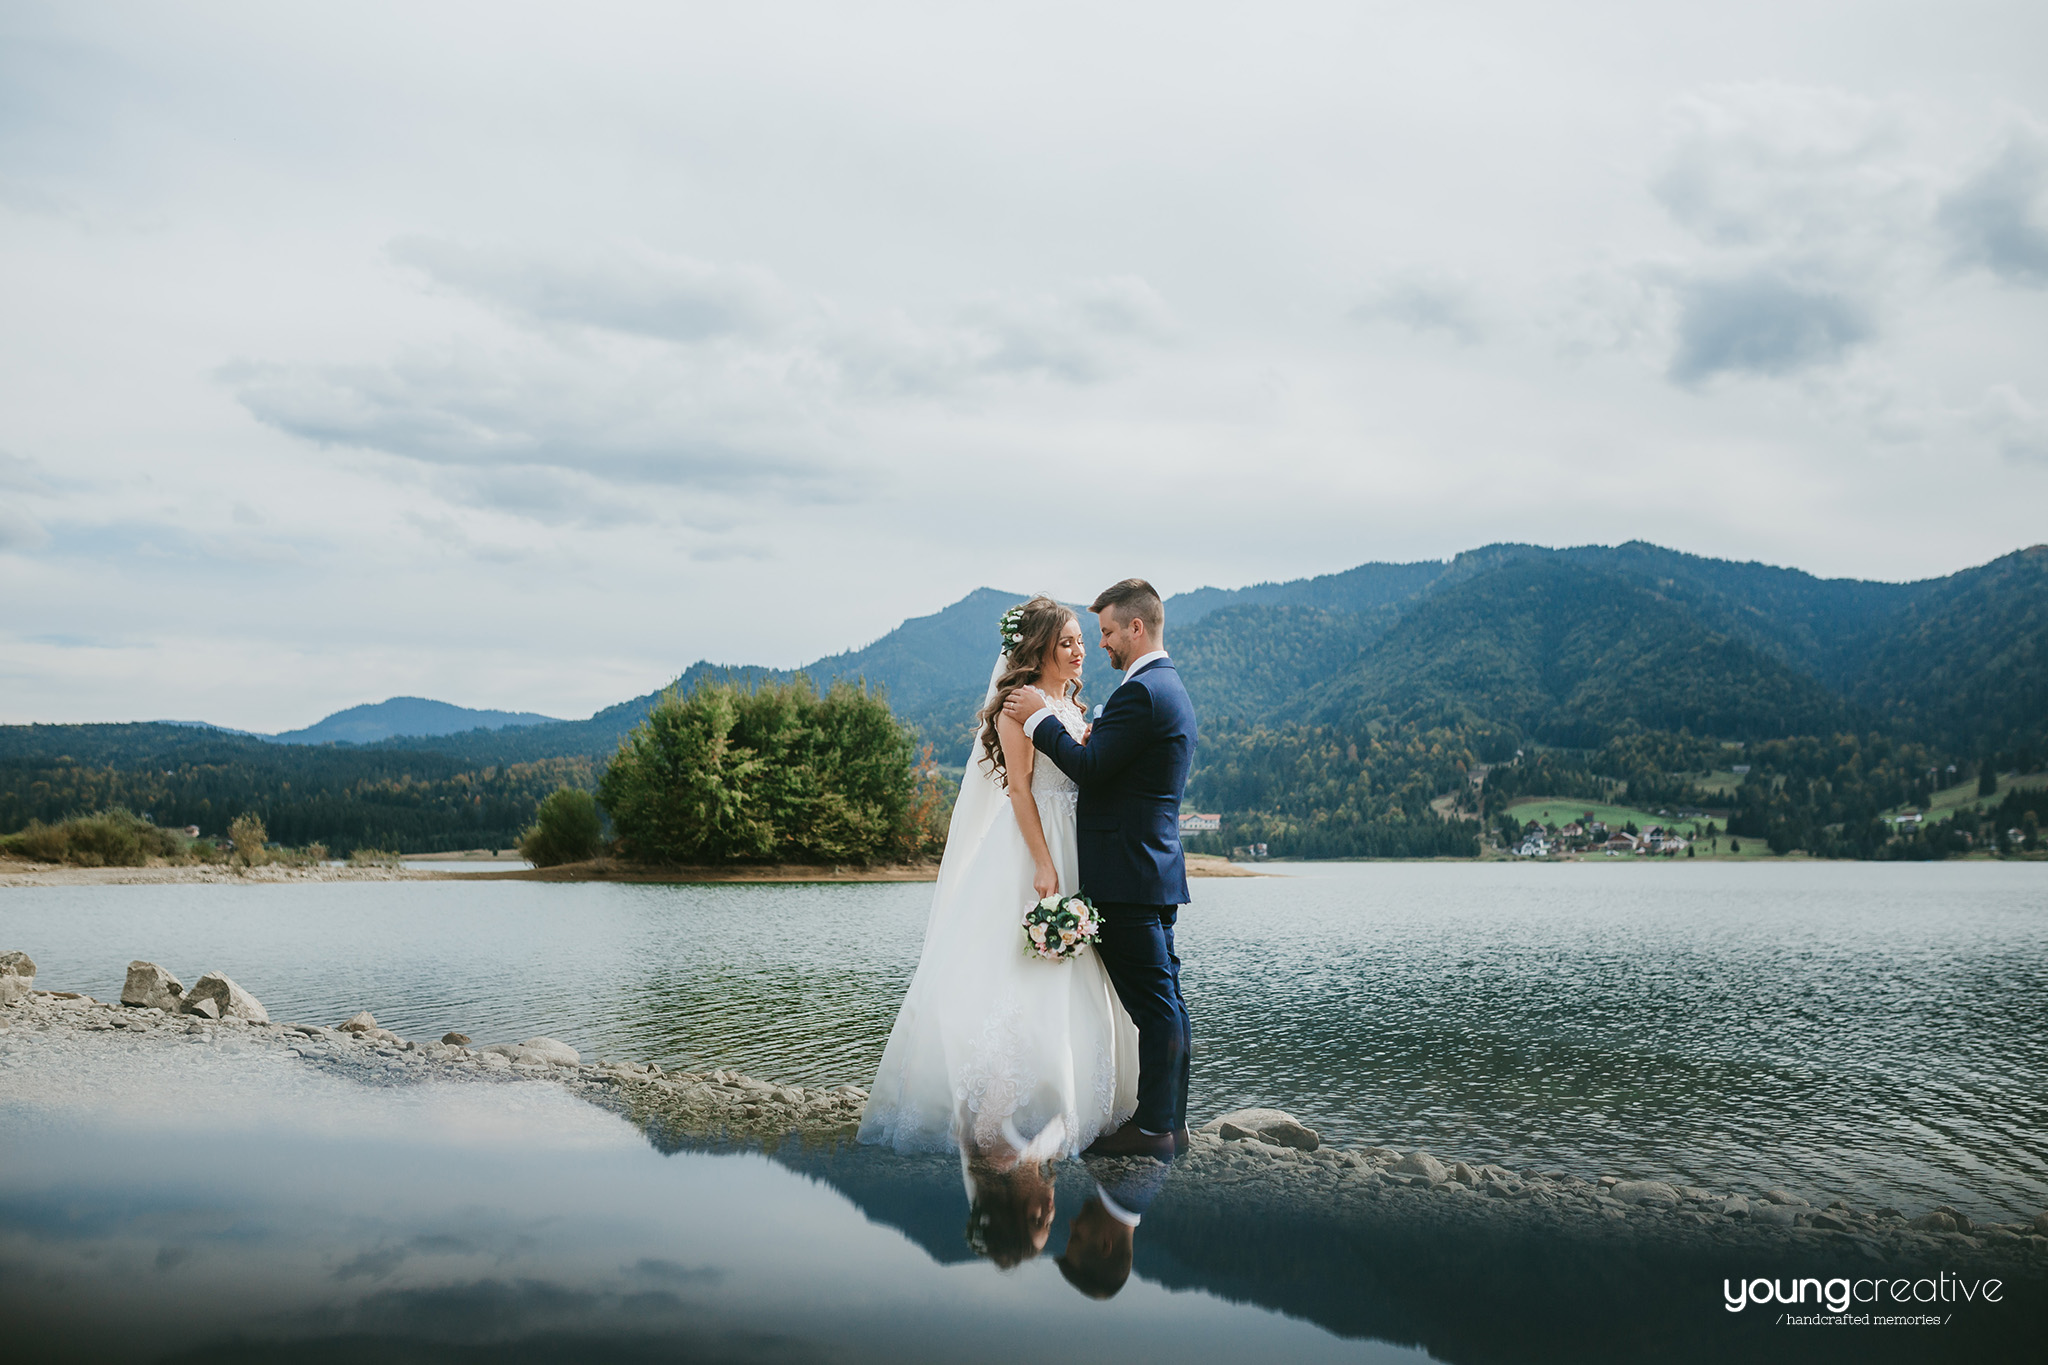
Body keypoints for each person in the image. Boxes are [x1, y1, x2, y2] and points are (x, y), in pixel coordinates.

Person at [857, 596, 1140, 1159]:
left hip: (1077, 845)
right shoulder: (1017, 706)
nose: (1080, 650)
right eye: (1067, 642)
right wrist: (1042, 862)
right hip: (1035, 846)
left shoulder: (1071, 705)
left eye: (1083, 640)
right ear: (1037, 650)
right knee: (1021, 973)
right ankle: (1001, 1111)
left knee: (1076, 974)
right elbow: (1017, 789)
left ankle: (1081, 1098)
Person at [1002, 578, 1196, 1160]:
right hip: (1150, 868)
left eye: (1107, 632)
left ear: (1136, 627)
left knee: (1156, 1005)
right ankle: (1169, 1122)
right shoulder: (1166, 686)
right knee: (1167, 1001)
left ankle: (1156, 1126)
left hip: (1129, 875)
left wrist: (1041, 718)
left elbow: (1089, 768)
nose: (1101, 645)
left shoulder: (1142, 692)